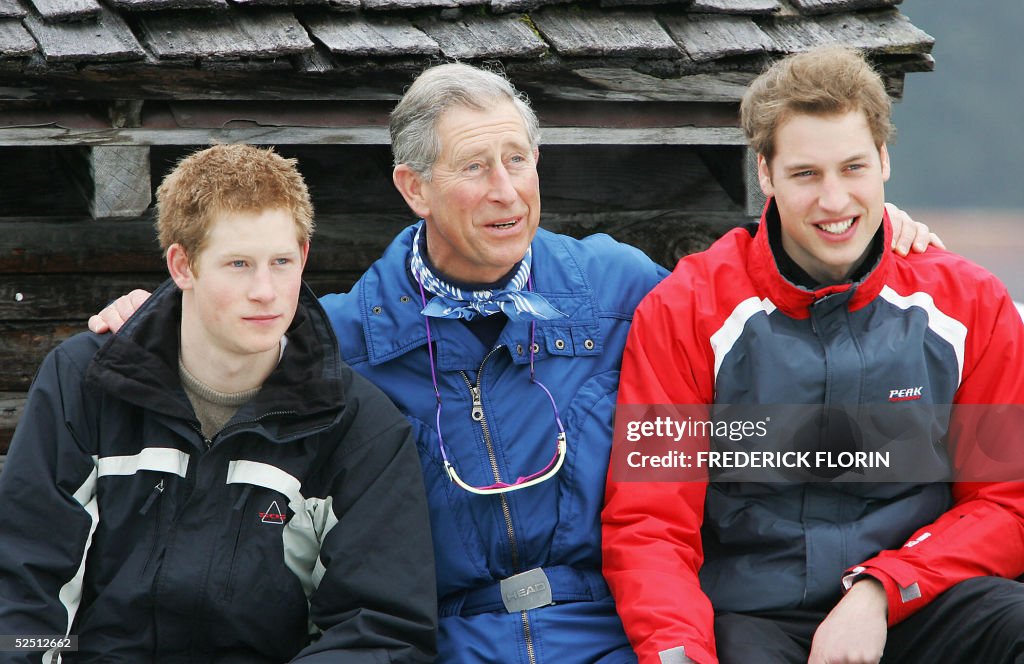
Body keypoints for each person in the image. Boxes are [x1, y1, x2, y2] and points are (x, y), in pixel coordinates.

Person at [86, 64, 937, 663]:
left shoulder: (617, 287)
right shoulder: (347, 338)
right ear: (414, 188)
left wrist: (865, 238)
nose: (506, 189)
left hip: (613, 634)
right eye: (474, 167)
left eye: (518, 160)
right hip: (446, 642)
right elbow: (237, 328)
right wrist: (161, 311)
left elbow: (756, 288)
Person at [602, 45, 1024, 664]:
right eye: (806, 174)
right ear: (766, 174)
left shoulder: (971, 305)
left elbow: (1007, 502)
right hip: (757, 617)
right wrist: (678, 653)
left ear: (884, 161)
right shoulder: (685, 312)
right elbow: (650, 525)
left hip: (919, 596)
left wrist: (882, 590)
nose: (834, 200)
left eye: (853, 168)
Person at [0, 144, 437, 663]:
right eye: (238, 264)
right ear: (182, 265)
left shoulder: (359, 426)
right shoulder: (85, 382)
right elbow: (23, 592)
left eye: (281, 262)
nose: (265, 291)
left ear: (303, 257)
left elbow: (380, 630)